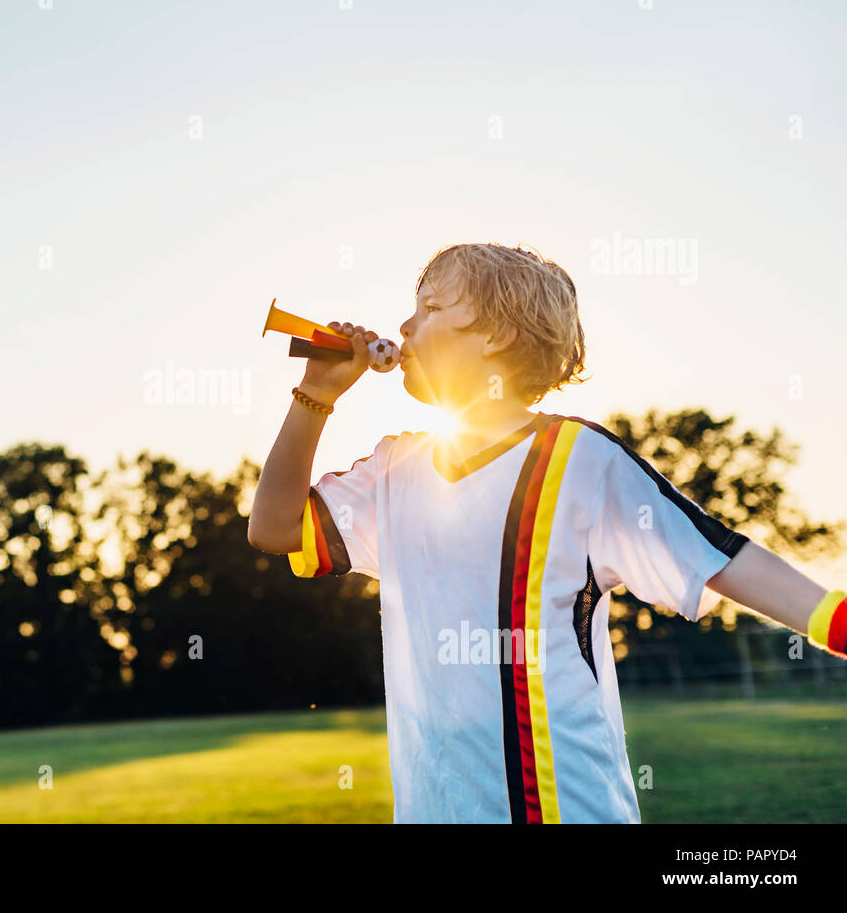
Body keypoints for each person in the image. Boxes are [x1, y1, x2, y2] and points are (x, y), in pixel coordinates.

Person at [247, 242, 846, 823]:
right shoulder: (391, 470)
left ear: (498, 333)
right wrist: (316, 395)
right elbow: (273, 528)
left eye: (430, 309)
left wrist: (837, 624)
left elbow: (719, 558)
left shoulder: (580, 459)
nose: (404, 326)